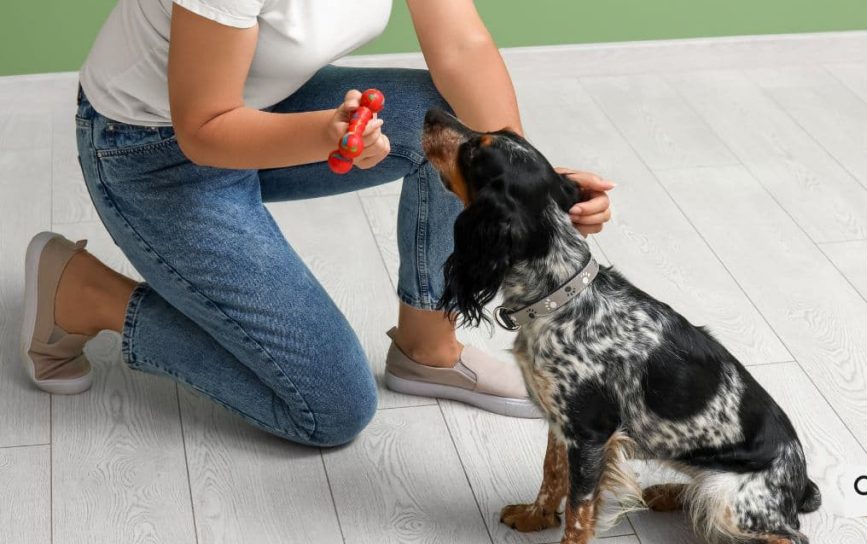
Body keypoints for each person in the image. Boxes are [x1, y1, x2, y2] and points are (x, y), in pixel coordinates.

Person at [20, 0, 613, 447]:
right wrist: (325, 136)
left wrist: (534, 194)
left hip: (267, 107)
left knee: (454, 128)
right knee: (331, 410)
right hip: (151, 150)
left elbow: (461, 47)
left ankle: (428, 346)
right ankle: (85, 295)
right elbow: (203, 128)